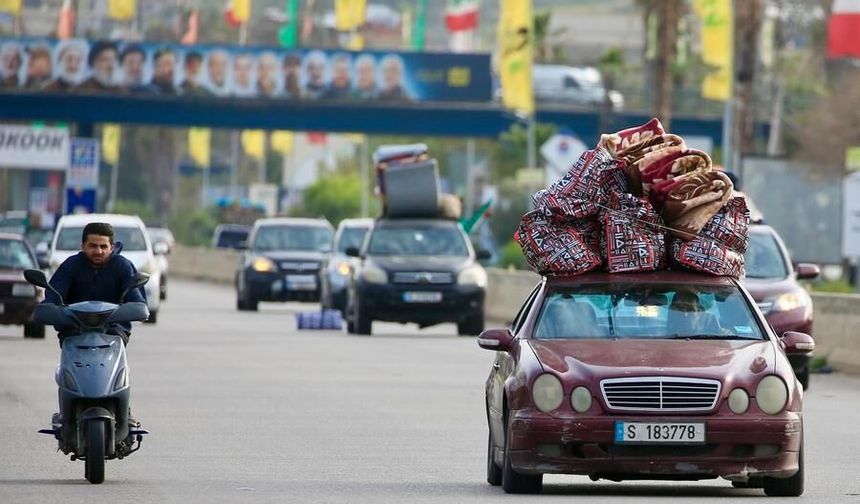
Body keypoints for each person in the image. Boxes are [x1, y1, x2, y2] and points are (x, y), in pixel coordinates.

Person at [45, 222, 146, 346]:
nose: (98, 251)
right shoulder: (71, 265)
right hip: (74, 332)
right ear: (83, 246)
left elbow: (137, 301)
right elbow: (54, 294)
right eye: (93, 246)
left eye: (103, 246)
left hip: (114, 332)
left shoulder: (123, 266)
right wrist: (48, 308)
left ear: (112, 247)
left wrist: (135, 309)